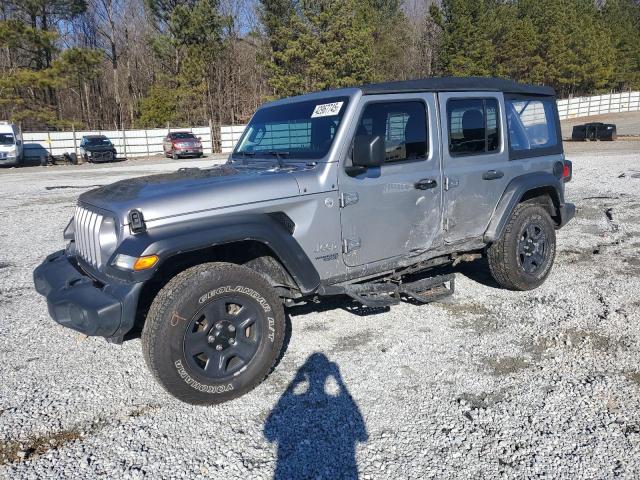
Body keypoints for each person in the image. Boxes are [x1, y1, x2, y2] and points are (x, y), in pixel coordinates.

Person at [264, 353, 368, 479]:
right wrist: (339, 381)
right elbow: (362, 435)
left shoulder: (295, 405)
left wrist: (294, 383)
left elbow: (269, 433)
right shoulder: (338, 404)